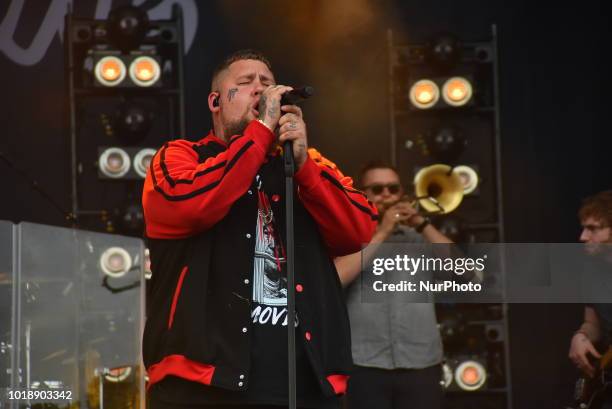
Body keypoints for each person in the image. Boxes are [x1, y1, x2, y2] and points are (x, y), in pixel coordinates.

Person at [141, 50, 377, 409]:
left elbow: (358, 230)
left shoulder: (306, 164)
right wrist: (260, 132)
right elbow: (187, 206)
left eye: (267, 83)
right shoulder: (180, 156)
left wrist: (303, 167)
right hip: (202, 383)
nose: (260, 90)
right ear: (215, 101)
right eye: (245, 83)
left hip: (305, 384)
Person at [335, 161, 453, 409]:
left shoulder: (420, 239)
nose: (386, 195)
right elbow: (336, 278)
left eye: (393, 188)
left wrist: (423, 224)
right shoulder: (349, 238)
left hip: (421, 363)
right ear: (362, 194)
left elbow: (468, 273)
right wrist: (382, 233)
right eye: (377, 189)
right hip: (365, 365)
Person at [568, 190, 612, 404]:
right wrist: (580, 336)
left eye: (593, 229)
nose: (583, 237)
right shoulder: (591, 271)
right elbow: (592, 322)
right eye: (584, 228)